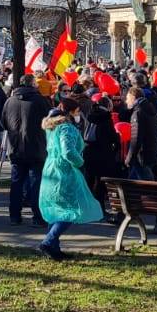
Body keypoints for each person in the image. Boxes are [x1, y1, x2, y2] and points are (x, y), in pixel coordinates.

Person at [36, 98, 102, 260]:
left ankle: (54, 248)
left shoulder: (51, 127)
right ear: (72, 111)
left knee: (56, 209)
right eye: (78, 111)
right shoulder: (67, 128)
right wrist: (80, 162)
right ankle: (48, 241)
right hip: (64, 172)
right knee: (70, 210)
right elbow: (68, 152)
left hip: (50, 169)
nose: (79, 114)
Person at [3, 74, 50, 226]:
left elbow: (3, 122)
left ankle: (14, 216)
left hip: (15, 147)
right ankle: (37, 217)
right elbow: (49, 122)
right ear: (33, 84)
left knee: (16, 183)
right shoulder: (40, 101)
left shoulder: (10, 101)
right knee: (36, 183)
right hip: (36, 147)